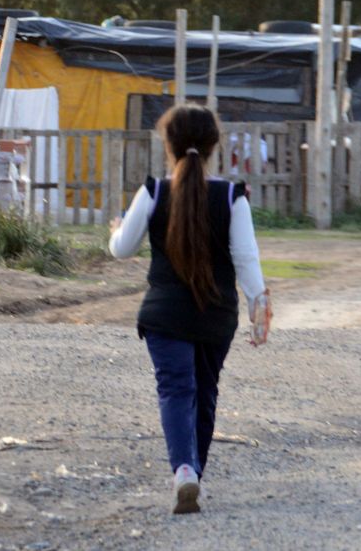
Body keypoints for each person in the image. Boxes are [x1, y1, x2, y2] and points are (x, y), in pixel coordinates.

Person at [108, 103, 271, 515]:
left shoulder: (154, 191)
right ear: (215, 145)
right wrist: (259, 307)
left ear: (169, 145)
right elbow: (246, 259)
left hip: (164, 316)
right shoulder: (233, 196)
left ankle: (184, 471)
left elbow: (122, 249)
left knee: (176, 389)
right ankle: (194, 469)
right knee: (205, 390)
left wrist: (115, 229)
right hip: (216, 316)